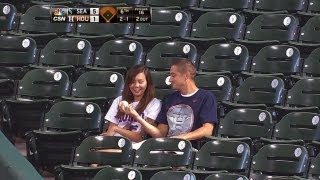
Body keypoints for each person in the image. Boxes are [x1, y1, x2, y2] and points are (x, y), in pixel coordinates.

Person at [124, 60, 217, 141]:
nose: (170, 79)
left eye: (173, 75)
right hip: (167, 147)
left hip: (188, 148)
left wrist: (181, 138)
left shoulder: (206, 97)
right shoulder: (169, 99)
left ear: (186, 76)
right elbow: (161, 134)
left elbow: (207, 130)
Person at [103, 65, 161, 142]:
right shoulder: (118, 100)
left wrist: (135, 116)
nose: (136, 86)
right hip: (115, 142)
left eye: (140, 82)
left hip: (133, 146)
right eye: (132, 82)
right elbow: (110, 131)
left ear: (148, 83)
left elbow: (140, 137)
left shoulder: (154, 104)